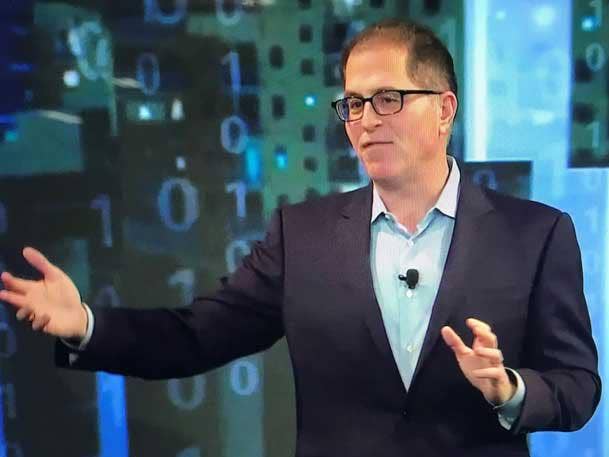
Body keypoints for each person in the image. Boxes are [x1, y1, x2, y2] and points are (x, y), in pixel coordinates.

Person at [0, 18, 601, 457]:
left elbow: (577, 388)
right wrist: (86, 325)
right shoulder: (303, 235)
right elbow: (197, 336)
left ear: (445, 109)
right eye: (353, 104)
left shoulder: (537, 234)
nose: (366, 120)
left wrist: (509, 389)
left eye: (388, 99)